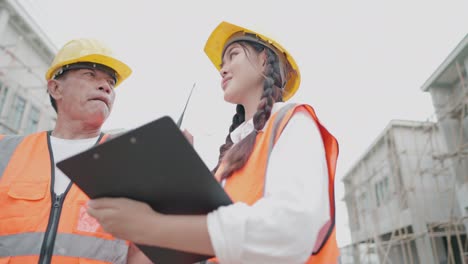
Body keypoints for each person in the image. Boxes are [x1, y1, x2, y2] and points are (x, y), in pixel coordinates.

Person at [87, 21, 340, 263]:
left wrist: (153, 226)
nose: (223, 69)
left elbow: (291, 229)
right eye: (222, 62)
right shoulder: (230, 158)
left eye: (233, 55)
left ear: (264, 58)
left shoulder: (293, 121)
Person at [0, 38, 151, 263]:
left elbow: (142, 251)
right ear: (55, 88)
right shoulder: (5, 151)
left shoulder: (129, 160)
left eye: (111, 81)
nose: (106, 86)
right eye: (90, 75)